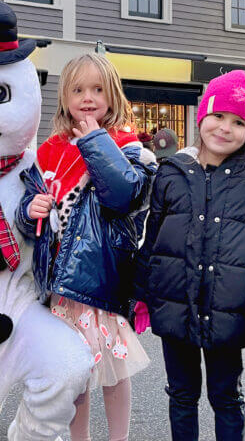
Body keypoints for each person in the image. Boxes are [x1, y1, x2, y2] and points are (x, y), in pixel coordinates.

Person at [16, 53, 156, 441]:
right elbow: (29, 216)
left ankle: (119, 438)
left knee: (114, 370)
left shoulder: (127, 145)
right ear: (64, 96)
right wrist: (30, 211)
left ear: (112, 94)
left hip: (99, 279)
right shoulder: (48, 151)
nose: (88, 97)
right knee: (73, 374)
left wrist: (94, 140)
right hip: (59, 283)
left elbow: (122, 194)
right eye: (78, 89)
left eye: (97, 89)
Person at [134, 70, 245, 441]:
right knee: (181, 394)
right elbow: (153, 237)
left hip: (228, 310)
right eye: (218, 116)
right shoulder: (170, 173)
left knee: (226, 396)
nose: (225, 128)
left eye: (239, 122)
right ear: (202, 116)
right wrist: (140, 291)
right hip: (173, 303)